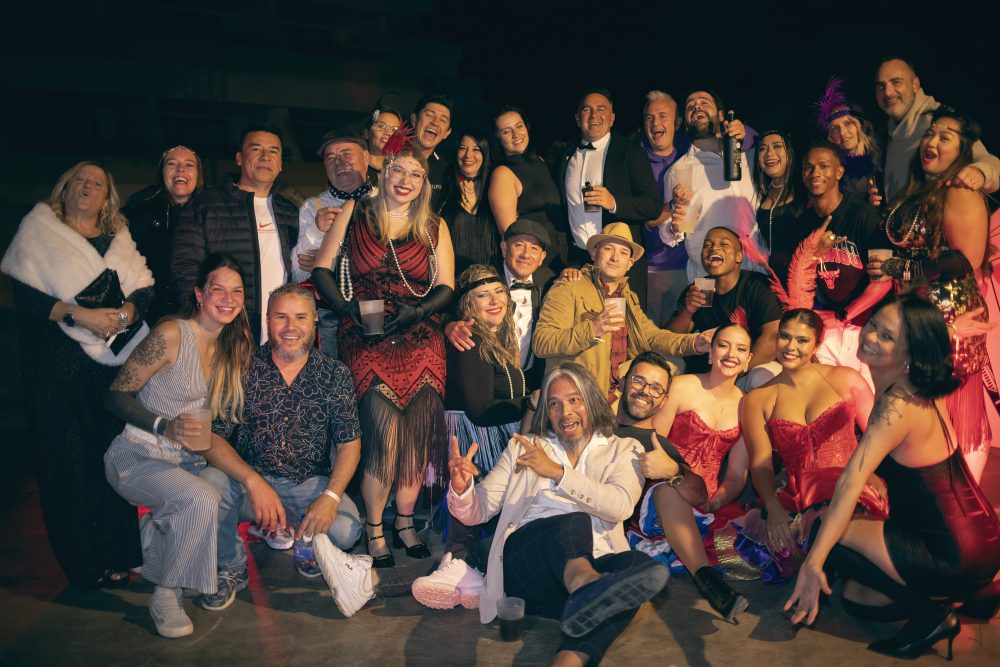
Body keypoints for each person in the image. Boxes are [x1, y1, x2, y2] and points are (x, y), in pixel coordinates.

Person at [786, 293, 1000, 660]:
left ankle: (933, 614)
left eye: (886, 336)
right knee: (855, 600)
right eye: (873, 325)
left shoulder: (898, 406)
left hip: (952, 554)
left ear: (908, 355)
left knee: (822, 529)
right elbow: (929, 341)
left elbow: (850, 483)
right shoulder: (923, 382)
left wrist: (812, 563)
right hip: (983, 541)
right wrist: (949, 329)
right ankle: (971, 596)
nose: (870, 337)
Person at [103, 255, 284, 638]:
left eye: (237, 291)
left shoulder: (229, 350)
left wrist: (254, 479)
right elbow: (115, 396)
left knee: (221, 491)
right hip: (136, 455)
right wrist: (163, 425)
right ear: (200, 294)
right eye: (218, 289)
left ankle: (156, 539)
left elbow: (205, 436)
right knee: (202, 498)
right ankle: (166, 596)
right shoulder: (172, 334)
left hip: (184, 462)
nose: (228, 299)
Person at [449, 362, 669, 666]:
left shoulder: (625, 449)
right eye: (554, 404)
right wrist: (462, 488)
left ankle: (568, 658)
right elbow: (478, 510)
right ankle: (586, 588)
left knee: (638, 566)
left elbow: (620, 506)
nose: (565, 412)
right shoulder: (525, 447)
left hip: (582, 577)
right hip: (528, 570)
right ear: (547, 413)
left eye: (574, 400)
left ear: (592, 401)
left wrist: (558, 473)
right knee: (573, 522)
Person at [2, 161, 152, 588]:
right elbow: (24, 297)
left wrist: (124, 314)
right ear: (64, 189)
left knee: (111, 460)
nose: (87, 187)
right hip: (54, 370)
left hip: (108, 371)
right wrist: (78, 314)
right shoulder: (38, 233)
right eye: (79, 181)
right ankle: (83, 565)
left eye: (97, 183)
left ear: (107, 198)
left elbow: (144, 287)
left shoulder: (118, 238)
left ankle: (117, 554)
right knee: (64, 466)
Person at [311, 141, 455, 568]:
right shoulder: (355, 212)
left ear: (424, 183)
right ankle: (375, 527)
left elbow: (446, 286)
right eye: (399, 171)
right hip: (366, 333)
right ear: (384, 173)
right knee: (383, 433)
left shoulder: (435, 225)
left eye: (416, 174)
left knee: (416, 437)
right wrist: (346, 309)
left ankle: (405, 523)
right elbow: (321, 269)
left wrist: (418, 312)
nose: (406, 181)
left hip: (420, 334)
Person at [197, 283, 363, 606]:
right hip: (250, 485)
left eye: (300, 317)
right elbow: (211, 437)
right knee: (207, 486)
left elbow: (349, 443)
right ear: (267, 320)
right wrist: (252, 481)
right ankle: (231, 567)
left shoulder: (335, 374)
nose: (290, 327)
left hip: (308, 483)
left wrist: (330, 497)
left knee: (347, 529)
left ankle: (303, 539)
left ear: (314, 321)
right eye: (280, 317)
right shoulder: (242, 367)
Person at [871, 107, 992, 481]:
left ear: (963, 150)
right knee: (925, 413)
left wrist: (901, 268)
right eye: (930, 133)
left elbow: (964, 261)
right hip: (920, 313)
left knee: (947, 413)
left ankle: (961, 497)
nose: (932, 141)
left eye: (945, 136)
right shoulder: (925, 188)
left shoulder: (958, 191)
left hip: (949, 318)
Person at [411, 264, 536, 609]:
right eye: (483, 295)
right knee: (475, 490)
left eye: (498, 292)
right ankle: (457, 561)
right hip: (475, 434)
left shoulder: (498, 341)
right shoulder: (471, 339)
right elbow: (479, 409)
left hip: (496, 430)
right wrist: (530, 403)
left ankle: (472, 570)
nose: (494, 301)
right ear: (468, 304)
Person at [739, 309, 882, 583]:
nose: (790, 347)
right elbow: (760, 464)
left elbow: (879, 435)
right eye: (785, 337)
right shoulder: (756, 399)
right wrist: (773, 506)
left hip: (852, 485)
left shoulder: (846, 379)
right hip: (799, 497)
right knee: (765, 547)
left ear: (817, 344)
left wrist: (869, 472)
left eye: (802, 340)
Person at [625, 334, 752, 622]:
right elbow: (654, 444)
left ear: (749, 359)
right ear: (710, 351)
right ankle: (710, 584)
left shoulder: (746, 406)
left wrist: (713, 502)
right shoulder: (682, 386)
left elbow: (736, 475)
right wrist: (673, 476)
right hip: (661, 487)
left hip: (707, 503)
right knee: (670, 490)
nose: (731, 353)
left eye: (741, 348)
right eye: (724, 345)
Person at [532, 223, 709, 407]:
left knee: (674, 365)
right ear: (594, 253)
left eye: (623, 252)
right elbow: (542, 343)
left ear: (630, 264)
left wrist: (694, 342)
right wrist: (592, 329)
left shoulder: (627, 296)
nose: (615, 257)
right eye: (608, 249)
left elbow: (652, 336)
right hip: (581, 394)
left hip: (618, 392)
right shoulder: (569, 286)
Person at [170, 123, 298, 342]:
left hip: (278, 337)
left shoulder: (291, 211)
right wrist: (201, 326)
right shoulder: (204, 206)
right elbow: (184, 271)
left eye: (273, 151)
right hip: (224, 335)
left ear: (280, 165)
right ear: (239, 158)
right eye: (256, 149)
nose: (265, 157)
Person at [557, 88, 662, 308]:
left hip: (619, 263)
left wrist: (614, 203)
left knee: (621, 327)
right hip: (579, 263)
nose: (594, 115)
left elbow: (652, 206)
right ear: (577, 118)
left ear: (612, 118)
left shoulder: (631, 152)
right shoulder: (565, 156)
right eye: (587, 109)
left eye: (601, 109)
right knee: (585, 324)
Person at [657, 89, 763, 282]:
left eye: (704, 102)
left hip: (757, 271)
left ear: (721, 115)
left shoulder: (748, 154)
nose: (697, 107)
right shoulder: (679, 171)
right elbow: (668, 234)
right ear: (686, 124)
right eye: (690, 106)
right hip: (707, 279)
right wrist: (674, 227)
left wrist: (746, 134)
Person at [446, 218, 556, 390]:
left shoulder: (550, 281)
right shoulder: (480, 277)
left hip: (534, 383)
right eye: (519, 245)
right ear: (504, 248)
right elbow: (446, 308)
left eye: (534, 248)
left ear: (542, 258)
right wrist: (449, 326)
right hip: (489, 382)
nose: (526, 254)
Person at [291, 128, 373, 357]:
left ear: (366, 157)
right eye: (331, 158)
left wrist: (327, 259)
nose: (339, 162)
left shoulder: (385, 200)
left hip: (376, 311)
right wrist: (317, 231)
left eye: (346, 154)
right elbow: (298, 273)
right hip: (330, 319)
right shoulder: (312, 207)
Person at [874, 57, 1000, 200]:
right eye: (881, 86)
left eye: (896, 82)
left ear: (915, 85)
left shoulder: (940, 120)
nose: (888, 92)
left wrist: (979, 172)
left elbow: (990, 162)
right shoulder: (885, 132)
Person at [665, 226, 782, 374]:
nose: (714, 249)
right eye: (707, 245)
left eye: (724, 244)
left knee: (764, 373)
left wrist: (736, 373)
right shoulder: (700, 288)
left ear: (739, 256)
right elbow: (671, 340)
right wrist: (688, 311)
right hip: (710, 368)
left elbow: (772, 338)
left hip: (748, 368)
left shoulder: (757, 286)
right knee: (668, 362)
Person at [797, 143, 887, 317]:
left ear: (839, 173)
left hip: (864, 316)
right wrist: (816, 253)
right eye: (808, 167)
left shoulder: (864, 215)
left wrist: (843, 317)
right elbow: (801, 279)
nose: (815, 173)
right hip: (824, 314)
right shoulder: (803, 223)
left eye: (824, 166)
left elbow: (883, 281)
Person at [123, 145, 204, 324]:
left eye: (189, 165)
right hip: (147, 313)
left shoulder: (211, 212)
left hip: (197, 314)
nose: (180, 169)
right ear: (162, 172)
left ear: (198, 174)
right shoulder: (138, 210)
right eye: (172, 164)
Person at [488, 105, 566, 270]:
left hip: (561, 257)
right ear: (497, 137)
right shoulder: (502, 174)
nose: (516, 134)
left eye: (519, 126)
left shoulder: (539, 160)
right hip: (534, 264)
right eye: (507, 131)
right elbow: (510, 237)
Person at [638, 91, 691, 324]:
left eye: (662, 116)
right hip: (649, 270)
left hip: (688, 268)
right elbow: (643, 218)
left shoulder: (690, 156)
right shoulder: (634, 160)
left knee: (682, 339)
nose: (655, 123)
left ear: (677, 123)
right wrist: (672, 205)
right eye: (649, 118)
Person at [436, 129, 500, 276]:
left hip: (491, 278)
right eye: (463, 148)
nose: (468, 155)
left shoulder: (496, 187)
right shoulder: (445, 184)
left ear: (485, 153)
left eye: (476, 149)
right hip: (450, 277)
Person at [814, 78, 884, 202]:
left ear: (861, 125)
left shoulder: (886, 154)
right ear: (830, 137)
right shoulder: (833, 173)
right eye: (835, 128)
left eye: (848, 123)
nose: (842, 132)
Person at [752, 129, 805, 285]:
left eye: (777, 146)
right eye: (762, 149)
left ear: (790, 153)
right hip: (767, 281)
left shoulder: (805, 188)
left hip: (801, 282)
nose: (769, 153)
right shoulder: (757, 193)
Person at [410, 93, 454, 194]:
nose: (435, 123)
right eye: (429, 115)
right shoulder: (391, 156)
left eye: (443, 120)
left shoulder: (447, 170)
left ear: (447, 133)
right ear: (414, 120)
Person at [363, 102, 403, 184]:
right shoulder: (356, 168)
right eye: (381, 126)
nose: (388, 133)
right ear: (366, 133)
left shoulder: (400, 172)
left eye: (394, 130)